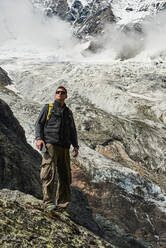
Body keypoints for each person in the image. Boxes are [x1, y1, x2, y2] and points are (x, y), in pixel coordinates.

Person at [35, 86, 79, 211]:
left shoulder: (68, 112)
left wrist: (75, 145)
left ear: (66, 96)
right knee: (49, 172)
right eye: (57, 92)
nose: (59, 94)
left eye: (62, 92)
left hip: (65, 147)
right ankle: (48, 202)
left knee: (65, 176)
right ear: (55, 95)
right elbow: (39, 123)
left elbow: (72, 130)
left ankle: (62, 205)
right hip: (51, 145)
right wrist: (39, 138)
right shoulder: (48, 108)